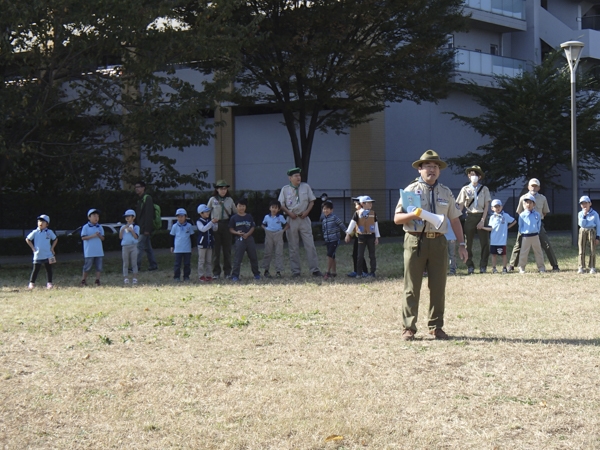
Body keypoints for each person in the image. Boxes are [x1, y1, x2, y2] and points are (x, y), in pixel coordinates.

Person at [394, 150, 467, 341]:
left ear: (439, 171)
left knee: (438, 286)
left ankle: (436, 326)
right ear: (420, 169)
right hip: (415, 240)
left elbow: (455, 220)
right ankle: (408, 327)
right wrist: (414, 215)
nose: (432, 170)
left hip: (439, 242)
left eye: (435, 167)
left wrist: (462, 243)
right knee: (412, 286)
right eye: (428, 166)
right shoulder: (410, 191)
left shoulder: (446, 192)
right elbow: (397, 218)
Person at [278, 168, 322, 277]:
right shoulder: (285, 189)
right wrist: (289, 213)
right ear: (290, 178)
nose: (298, 178)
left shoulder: (305, 187)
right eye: (295, 176)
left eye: (299, 175)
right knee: (293, 246)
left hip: (304, 218)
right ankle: (296, 271)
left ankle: (315, 269)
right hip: (291, 219)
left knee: (310, 244)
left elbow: (312, 201)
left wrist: (307, 212)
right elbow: (281, 204)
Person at [509, 178, 560, 272]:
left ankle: (554, 264)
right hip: (525, 224)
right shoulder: (523, 197)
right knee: (518, 243)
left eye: (536, 186)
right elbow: (519, 211)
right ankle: (512, 264)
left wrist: (537, 220)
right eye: (532, 185)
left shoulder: (542, 198)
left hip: (538, 224)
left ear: (539, 188)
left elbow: (544, 212)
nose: (533, 187)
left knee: (546, 244)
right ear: (528, 187)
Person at [455, 165, 491, 274]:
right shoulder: (465, 189)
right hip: (469, 216)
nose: (474, 176)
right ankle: (469, 265)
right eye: (471, 174)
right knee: (467, 243)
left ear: (480, 177)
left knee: (485, 243)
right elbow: (460, 205)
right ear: (468, 176)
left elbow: (486, 206)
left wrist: (482, 220)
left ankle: (483, 266)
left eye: (476, 175)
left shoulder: (484, 189)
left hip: (481, 216)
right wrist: (455, 217)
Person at [208, 180, 237, 279]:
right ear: (217, 189)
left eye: (225, 188)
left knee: (227, 250)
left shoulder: (230, 200)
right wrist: (210, 221)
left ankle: (227, 272)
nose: (223, 191)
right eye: (221, 188)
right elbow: (207, 212)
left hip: (226, 224)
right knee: (216, 250)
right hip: (216, 225)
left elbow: (235, 213)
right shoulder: (212, 200)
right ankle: (216, 272)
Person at [345, 195, 379, 277]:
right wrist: (348, 234)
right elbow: (352, 224)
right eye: (369, 203)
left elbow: (376, 225)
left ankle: (372, 272)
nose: (370, 205)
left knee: (372, 255)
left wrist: (377, 237)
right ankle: (359, 273)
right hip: (361, 236)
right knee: (359, 255)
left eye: (371, 203)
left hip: (371, 236)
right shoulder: (357, 213)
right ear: (363, 203)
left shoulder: (373, 213)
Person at [229, 198, 261, 281]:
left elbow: (253, 227)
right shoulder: (234, 218)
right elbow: (231, 229)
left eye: (243, 206)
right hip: (239, 239)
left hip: (249, 239)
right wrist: (237, 233)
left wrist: (247, 234)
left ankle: (256, 274)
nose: (242, 208)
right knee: (238, 258)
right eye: (240, 206)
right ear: (236, 207)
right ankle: (235, 275)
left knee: (253, 257)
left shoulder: (249, 216)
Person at [481, 199, 516, 274]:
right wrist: (483, 227)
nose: (497, 208)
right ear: (492, 208)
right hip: (494, 240)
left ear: (501, 207)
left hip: (502, 240)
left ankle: (504, 268)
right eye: (495, 207)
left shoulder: (505, 216)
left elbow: (514, 221)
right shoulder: (492, 217)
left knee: (503, 254)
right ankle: (494, 268)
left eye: (498, 206)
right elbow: (491, 228)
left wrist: (507, 227)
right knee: (494, 255)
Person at [25, 214, 58, 289]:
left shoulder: (49, 232)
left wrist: (52, 248)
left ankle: (49, 283)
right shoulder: (35, 232)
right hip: (38, 254)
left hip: (48, 254)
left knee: (49, 269)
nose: (40, 223)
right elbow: (28, 239)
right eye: (39, 221)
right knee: (35, 270)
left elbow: (55, 239)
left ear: (47, 224)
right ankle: (32, 283)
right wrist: (33, 248)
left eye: (43, 221)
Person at [517, 194, 545, 273]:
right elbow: (520, 226)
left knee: (538, 252)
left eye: (530, 203)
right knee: (524, 252)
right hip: (526, 236)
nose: (528, 205)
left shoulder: (537, 214)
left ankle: (541, 267)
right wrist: (523, 232)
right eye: (527, 203)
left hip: (535, 235)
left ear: (534, 204)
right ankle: (521, 267)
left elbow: (538, 224)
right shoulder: (522, 215)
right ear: (524, 204)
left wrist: (536, 231)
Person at [261, 199, 288, 278]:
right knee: (268, 252)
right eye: (272, 207)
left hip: (278, 234)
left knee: (279, 253)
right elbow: (262, 224)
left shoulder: (281, 217)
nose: (274, 209)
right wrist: (265, 229)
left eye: (276, 208)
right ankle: (266, 270)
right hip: (269, 234)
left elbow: (287, 225)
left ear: (279, 209)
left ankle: (278, 271)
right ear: (270, 208)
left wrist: (282, 231)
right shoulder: (266, 217)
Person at [135, 181, 158, 271]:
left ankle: (136, 266)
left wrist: (147, 229)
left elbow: (149, 214)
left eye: (139, 187)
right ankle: (153, 265)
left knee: (139, 246)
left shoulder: (147, 198)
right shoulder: (141, 199)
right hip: (142, 227)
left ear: (143, 188)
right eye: (135, 187)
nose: (137, 189)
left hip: (144, 228)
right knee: (148, 247)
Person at [321, 200, 347, 280]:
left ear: (331, 210)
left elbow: (342, 226)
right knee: (332, 256)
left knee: (329, 255)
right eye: (324, 209)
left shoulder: (334, 218)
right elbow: (324, 230)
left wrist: (348, 234)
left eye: (327, 209)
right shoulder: (324, 220)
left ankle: (327, 272)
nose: (325, 210)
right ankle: (334, 272)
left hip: (335, 240)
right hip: (328, 241)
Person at [81, 208, 105, 286]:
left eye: (97, 216)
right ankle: (83, 280)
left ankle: (97, 280)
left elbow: (103, 238)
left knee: (99, 267)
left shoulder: (100, 227)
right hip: (89, 251)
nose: (96, 218)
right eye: (94, 216)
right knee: (87, 267)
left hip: (99, 251)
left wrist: (99, 235)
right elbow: (83, 237)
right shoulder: (85, 227)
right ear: (89, 217)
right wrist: (93, 235)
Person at [577, 195, 599, 274]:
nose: (584, 205)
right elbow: (581, 223)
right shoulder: (580, 213)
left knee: (592, 249)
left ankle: (592, 266)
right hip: (583, 230)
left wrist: (598, 237)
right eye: (582, 204)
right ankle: (581, 266)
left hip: (592, 231)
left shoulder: (595, 214)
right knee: (581, 249)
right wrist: (584, 215)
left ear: (590, 203)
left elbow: (598, 225)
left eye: (586, 203)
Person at [347, 197, 369, 277]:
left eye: (356, 204)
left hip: (363, 237)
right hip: (357, 237)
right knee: (355, 254)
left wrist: (348, 234)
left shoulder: (365, 214)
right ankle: (357, 271)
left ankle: (364, 271)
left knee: (360, 255)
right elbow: (354, 226)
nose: (355, 206)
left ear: (362, 204)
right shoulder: (357, 213)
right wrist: (350, 235)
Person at [170, 208, 194, 282]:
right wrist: (172, 246)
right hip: (178, 248)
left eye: (182, 216)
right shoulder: (174, 226)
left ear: (185, 217)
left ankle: (186, 276)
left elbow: (192, 237)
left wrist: (192, 247)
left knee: (187, 263)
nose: (180, 218)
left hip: (187, 248)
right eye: (178, 216)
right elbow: (172, 236)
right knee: (177, 264)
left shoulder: (189, 226)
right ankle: (176, 277)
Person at [196, 204, 219, 281]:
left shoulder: (209, 221)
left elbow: (215, 229)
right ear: (201, 213)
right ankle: (201, 275)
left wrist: (215, 223)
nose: (207, 213)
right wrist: (211, 222)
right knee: (201, 260)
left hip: (210, 243)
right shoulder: (199, 221)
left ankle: (209, 275)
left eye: (208, 211)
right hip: (202, 244)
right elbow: (203, 229)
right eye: (205, 212)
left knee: (209, 261)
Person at [119, 209, 140, 285]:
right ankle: (126, 278)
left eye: (129, 216)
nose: (127, 218)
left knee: (134, 262)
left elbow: (136, 237)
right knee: (125, 263)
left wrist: (131, 230)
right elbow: (120, 237)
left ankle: (135, 277)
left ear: (133, 217)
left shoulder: (136, 227)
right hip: (125, 246)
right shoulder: (123, 227)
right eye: (126, 217)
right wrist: (123, 229)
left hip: (133, 246)